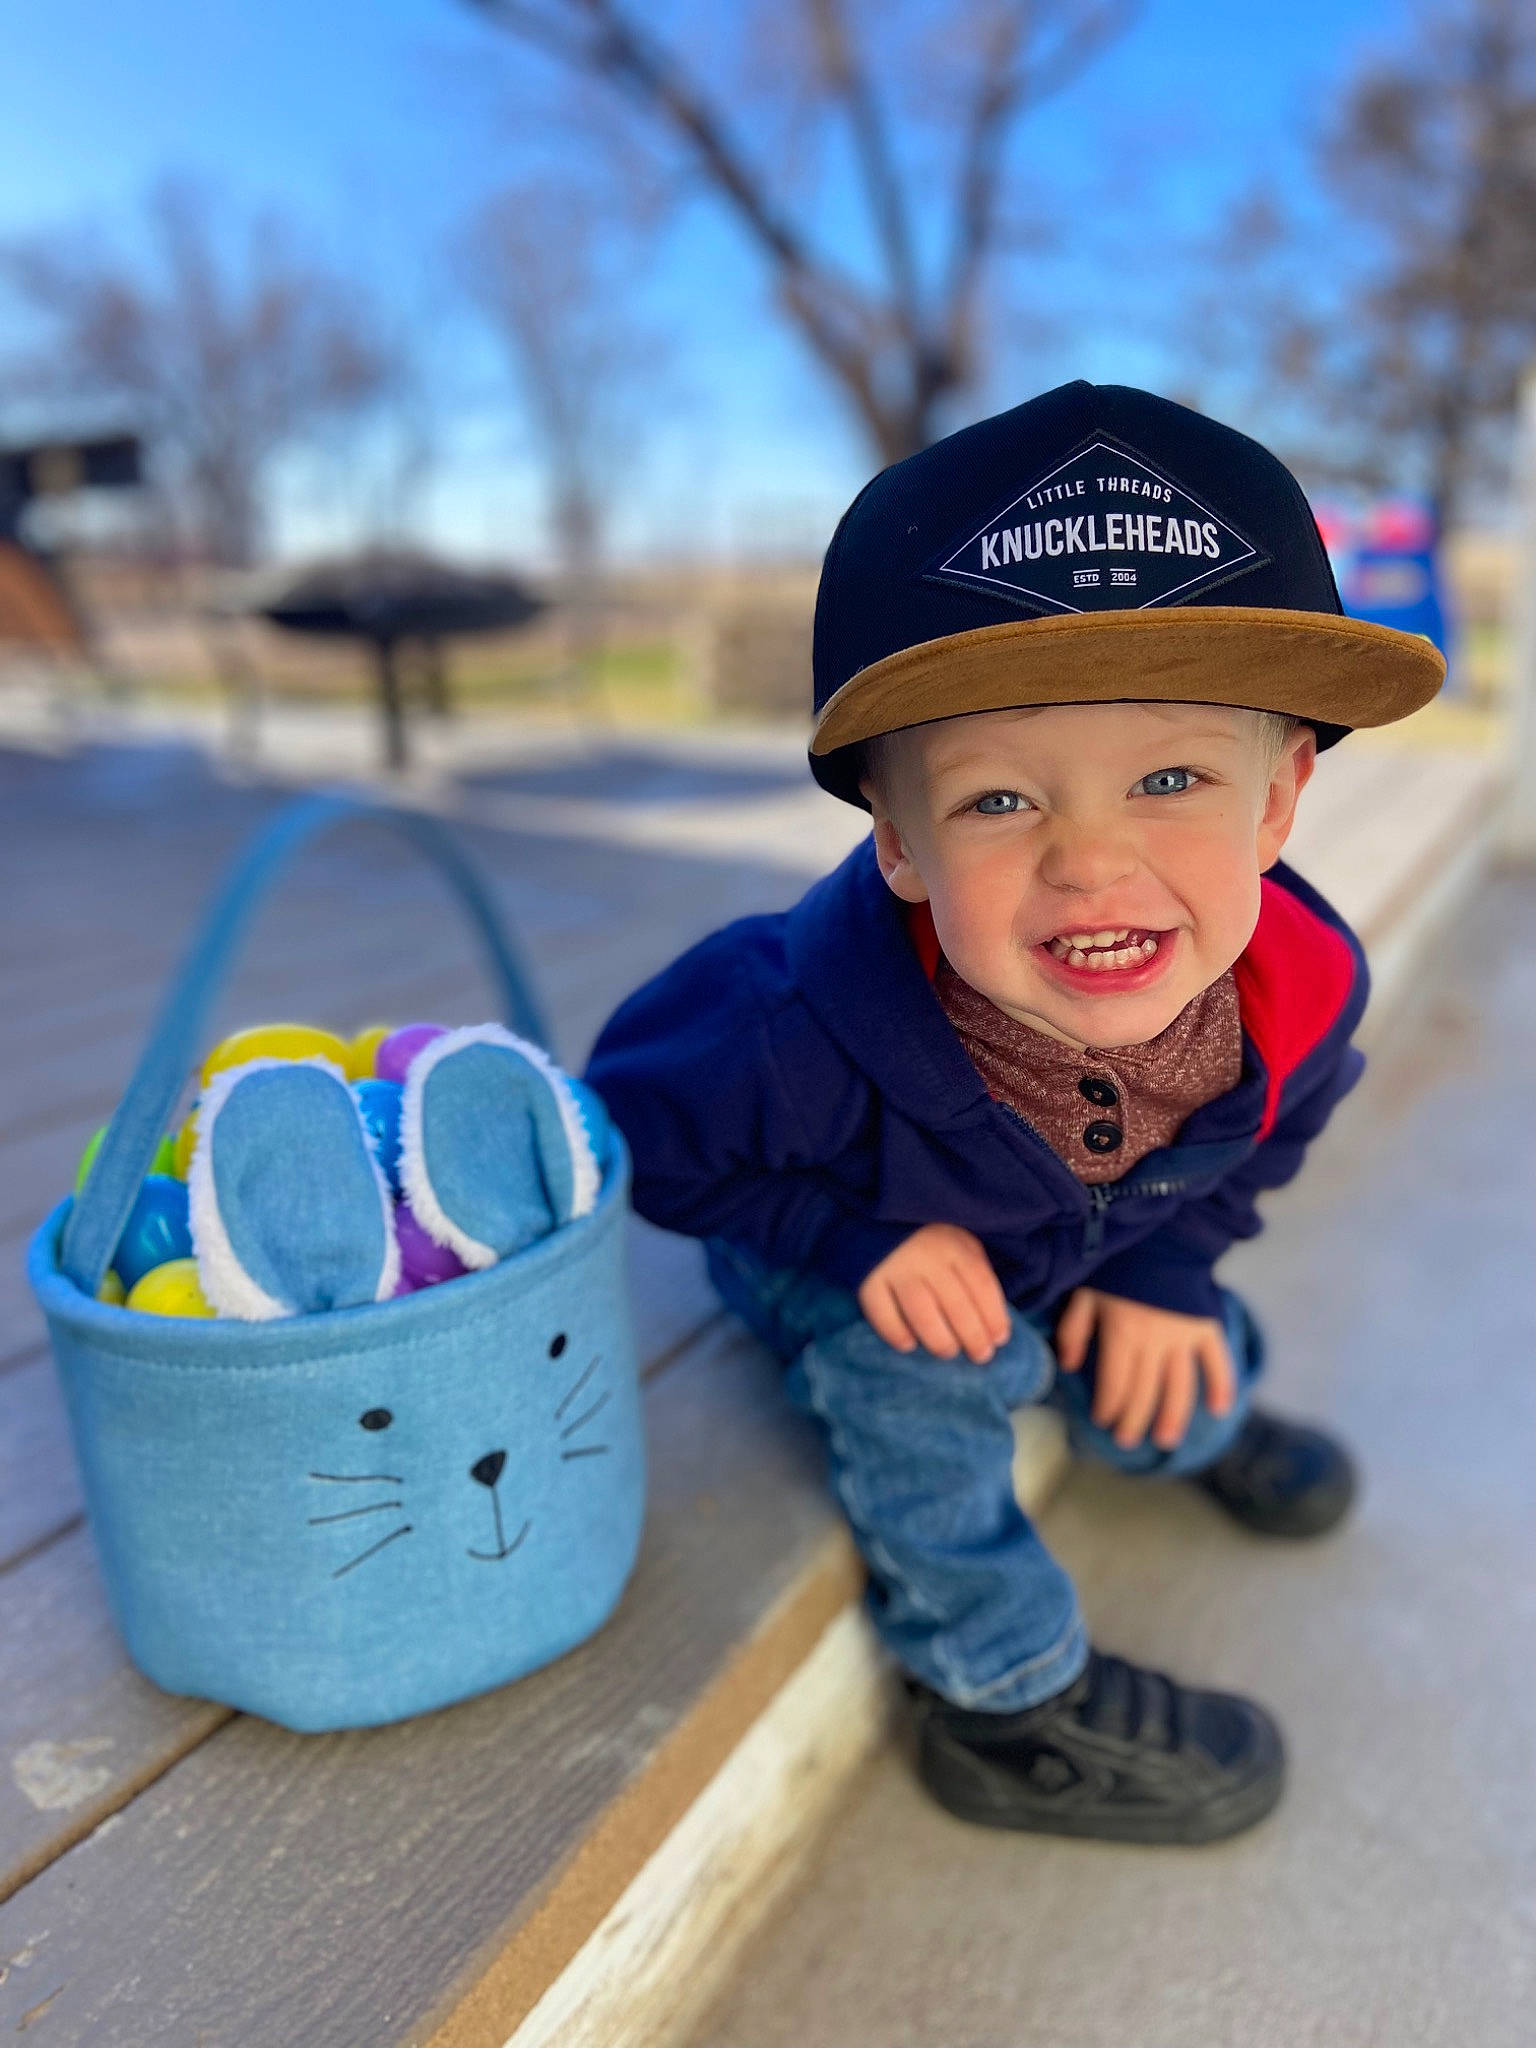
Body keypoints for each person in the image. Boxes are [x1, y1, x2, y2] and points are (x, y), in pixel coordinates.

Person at [583, 380, 1445, 1846]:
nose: (1092, 867)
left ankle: (1180, 1412)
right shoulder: (783, 1025)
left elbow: (1268, 1144)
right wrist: (846, 1242)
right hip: (864, 1253)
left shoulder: (1299, 995)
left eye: (1170, 777)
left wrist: (1169, 1273)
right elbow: (628, 1126)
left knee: (1166, 1337)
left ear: (1280, 803)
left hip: (1095, 1243)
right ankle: (1000, 1702)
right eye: (998, 803)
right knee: (931, 1369)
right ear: (898, 838)